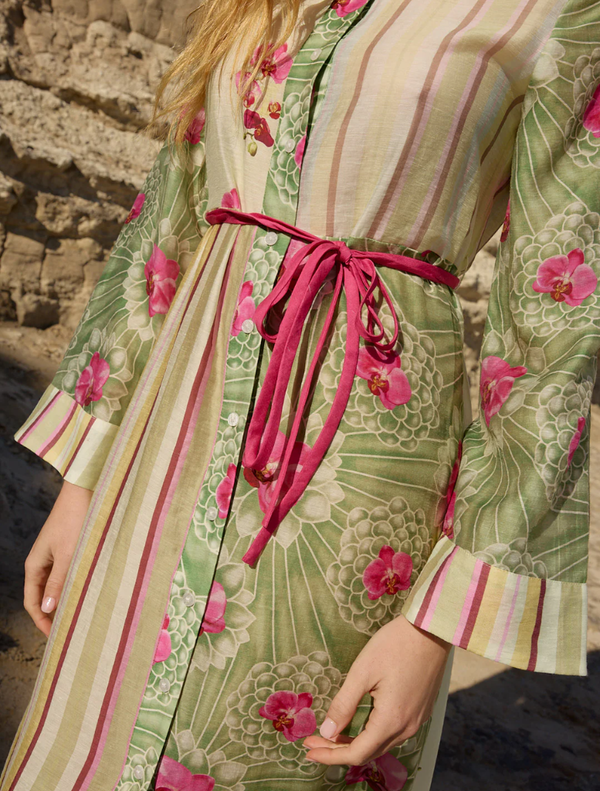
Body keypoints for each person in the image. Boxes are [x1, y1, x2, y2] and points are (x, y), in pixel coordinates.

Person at [1, 0, 597, 789]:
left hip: (357, 487)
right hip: (162, 448)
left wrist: (430, 627)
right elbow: (169, 219)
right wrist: (80, 484)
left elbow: (552, 327)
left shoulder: (557, 12)